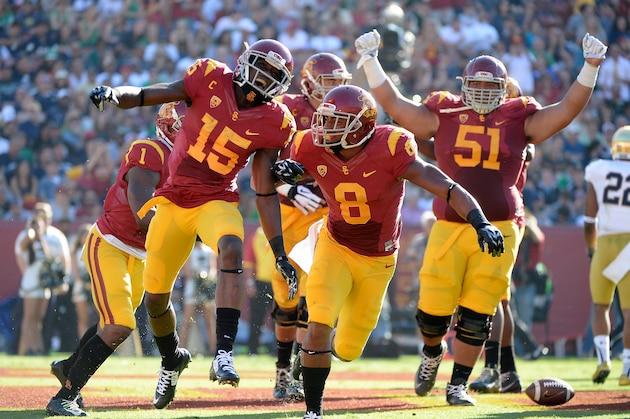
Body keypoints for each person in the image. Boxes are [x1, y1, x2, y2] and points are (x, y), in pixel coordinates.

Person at [354, 29, 607, 405]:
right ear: (464, 84)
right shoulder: (445, 111)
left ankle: (457, 385)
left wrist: (590, 68)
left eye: (492, 86)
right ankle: (432, 351)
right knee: (432, 312)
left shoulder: (519, 116)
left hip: (502, 227)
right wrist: (371, 61)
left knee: (479, 311)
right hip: (450, 225)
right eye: (476, 85)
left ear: (505, 88)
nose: (485, 92)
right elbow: (397, 104)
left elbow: (565, 111)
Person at [89, 38, 299, 409]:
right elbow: (148, 94)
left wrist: (278, 248)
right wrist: (115, 93)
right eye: (261, 66)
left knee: (232, 245)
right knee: (155, 299)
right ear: (244, 60)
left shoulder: (276, 120)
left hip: (216, 198)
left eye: (273, 73)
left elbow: (265, 191)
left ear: (281, 83)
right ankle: (171, 362)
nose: (264, 76)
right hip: (172, 201)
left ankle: (224, 353)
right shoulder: (209, 76)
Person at [273, 84, 505, 419]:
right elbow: (270, 173)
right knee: (318, 322)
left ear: (361, 128)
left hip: (377, 260)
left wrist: (480, 221)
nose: (323, 128)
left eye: (335, 122)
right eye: (323, 119)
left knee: (349, 349)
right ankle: (313, 412)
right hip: (334, 245)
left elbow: (447, 187)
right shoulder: (309, 145)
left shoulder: (391, 149)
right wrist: (284, 177)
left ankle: (318, 351)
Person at [45, 102, 184, 416]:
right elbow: (142, 210)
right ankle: (64, 398)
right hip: (111, 243)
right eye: (186, 126)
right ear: (169, 126)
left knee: (111, 322)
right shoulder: (150, 150)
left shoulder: (189, 162)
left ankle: (68, 367)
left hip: (141, 255)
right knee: (120, 324)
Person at [271, 52, 351, 400]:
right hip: (288, 215)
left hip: (325, 212)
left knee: (314, 297)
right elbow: (261, 161)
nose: (334, 91)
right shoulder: (286, 109)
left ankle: (302, 375)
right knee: (286, 299)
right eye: (327, 84)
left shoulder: (351, 108)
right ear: (307, 85)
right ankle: (282, 370)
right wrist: (285, 186)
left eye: (339, 83)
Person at [584, 125, 630, 386]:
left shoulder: (599, 169)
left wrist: (591, 250)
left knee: (601, 306)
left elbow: (590, 219)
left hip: (606, 243)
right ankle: (628, 370)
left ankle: (603, 358)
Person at [14, 201, 71, 356]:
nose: (41, 218)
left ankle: (37, 348)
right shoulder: (28, 234)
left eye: (44, 215)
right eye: (38, 214)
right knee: (29, 318)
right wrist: (34, 231)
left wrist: (61, 279)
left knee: (39, 318)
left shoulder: (54, 235)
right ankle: (29, 349)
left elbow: (56, 258)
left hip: (45, 282)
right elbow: (21, 250)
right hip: (32, 280)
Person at [178, 240, 218, 356]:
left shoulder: (209, 250)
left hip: (206, 288)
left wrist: (206, 280)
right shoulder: (189, 251)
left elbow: (213, 270)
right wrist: (198, 278)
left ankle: (212, 350)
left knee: (210, 321)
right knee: (187, 320)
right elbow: (187, 271)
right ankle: (180, 349)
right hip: (193, 287)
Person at [243, 226, 275, 356]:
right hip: (261, 282)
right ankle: (253, 349)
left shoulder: (284, 231)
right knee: (256, 318)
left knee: (280, 319)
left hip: (280, 282)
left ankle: (278, 350)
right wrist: (250, 283)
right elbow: (249, 261)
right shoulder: (257, 235)